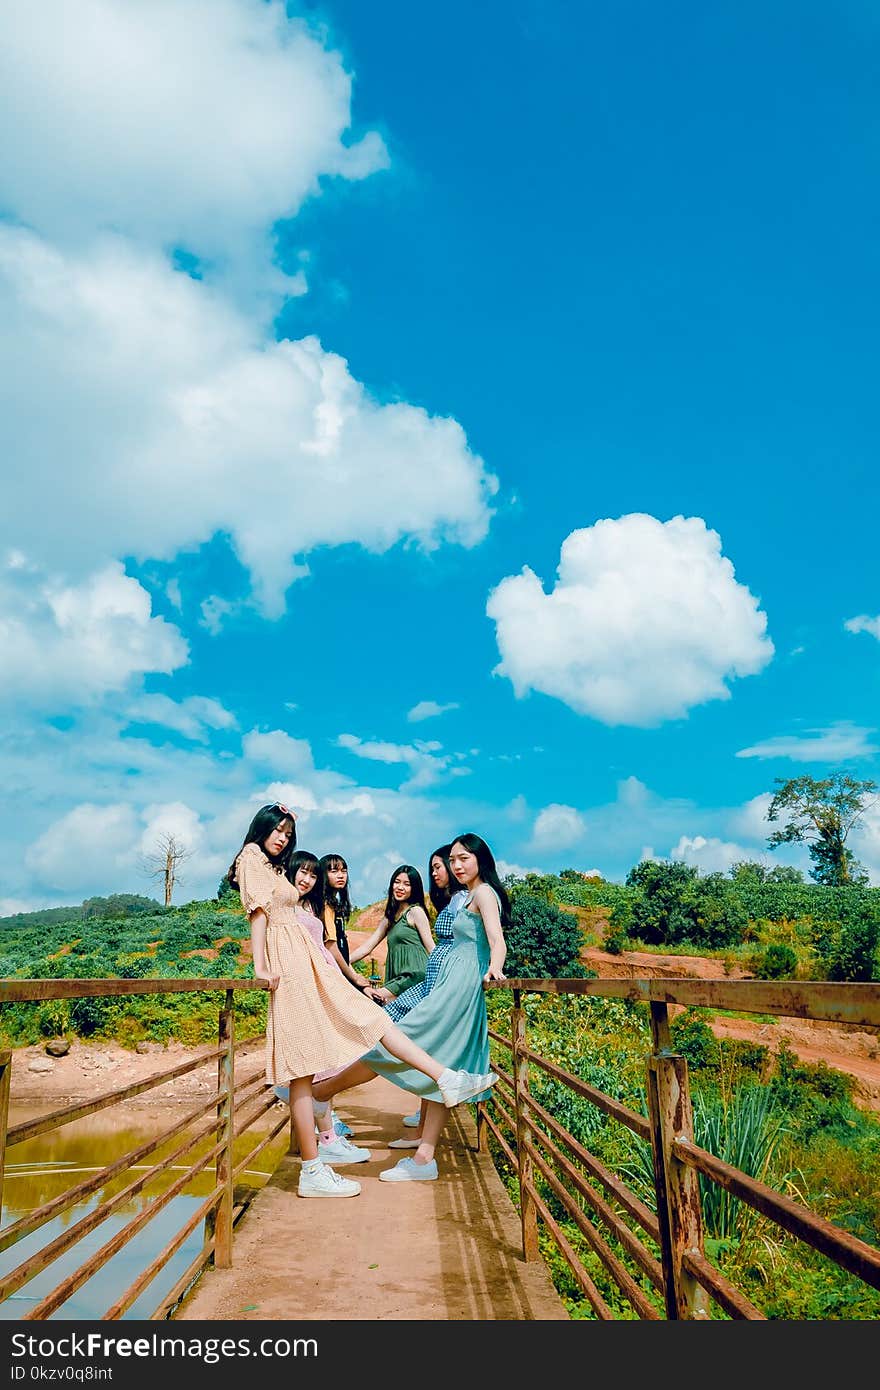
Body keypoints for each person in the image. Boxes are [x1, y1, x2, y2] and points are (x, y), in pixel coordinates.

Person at [227, 806, 495, 1199]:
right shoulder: (251, 858)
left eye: (288, 831)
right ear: (261, 828)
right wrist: (261, 966)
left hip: (306, 964)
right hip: (290, 966)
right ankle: (314, 1166)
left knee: (365, 1024)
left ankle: (441, 1080)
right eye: (278, 830)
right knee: (308, 1061)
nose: (283, 837)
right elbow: (258, 915)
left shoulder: (270, 866)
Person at [311, 831, 508, 1183]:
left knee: (394, 1038)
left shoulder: (484, 893)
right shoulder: (463, 896)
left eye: (464, 858)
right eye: (454, 859)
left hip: (458, 987)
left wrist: (495, 965)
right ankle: (424, 1158)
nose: (457, 865)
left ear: (481, 860)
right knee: (439, 1063)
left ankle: (320, 1095)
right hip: (444, 982)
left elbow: (496, 937)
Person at [386, 845, 468, 1143]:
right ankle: (422, 1133)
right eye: (432, 868)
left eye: (439, 866)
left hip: (440, 982)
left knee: (397, 1034)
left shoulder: (466, 899)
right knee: (421, 1045)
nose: (436, 872)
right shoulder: (450, 900)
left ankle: (322, 1093)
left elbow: (454, 946)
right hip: (435, 979)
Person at [349, 865, 434, 1005]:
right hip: (397, 978)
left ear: (414, 888)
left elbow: (431, 947)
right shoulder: (390, 918)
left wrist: (446, 977)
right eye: (397, 882)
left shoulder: (416, 912)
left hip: (414, 975)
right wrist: (342, 962)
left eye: (407, 884)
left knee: (370, 1001)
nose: (400, 887)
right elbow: (367, 947)